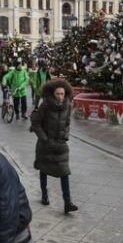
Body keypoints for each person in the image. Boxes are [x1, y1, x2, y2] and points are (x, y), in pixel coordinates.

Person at [30, 79, 78, 214]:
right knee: (43, 169)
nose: (60, 97)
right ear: (52, 93)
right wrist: (44, 138)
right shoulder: (45, 105)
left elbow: (68, 122)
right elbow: (36, 123)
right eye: (58, 94)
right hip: (45, 144)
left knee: (65, 172)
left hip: (60, 144)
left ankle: (68, 203)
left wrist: (66, 135)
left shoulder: (68, 105)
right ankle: (44, 195)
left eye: (62, 94)